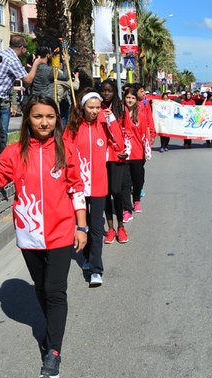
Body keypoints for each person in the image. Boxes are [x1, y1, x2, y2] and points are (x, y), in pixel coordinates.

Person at [0, 95, 87, 378]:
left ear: (56, 119)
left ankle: (53, 352)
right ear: (28, 119)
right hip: (29, 234)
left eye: (50, 116)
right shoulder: (14, 152)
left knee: (55, 290)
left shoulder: (67, 150)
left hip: (62, 231)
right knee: (40, 287)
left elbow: (77, 189)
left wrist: (81, 226)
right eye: (38, 116)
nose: (45, 122)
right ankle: (52, 327)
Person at [64, 88, 122, 287]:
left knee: (97, 227)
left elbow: (119, 143)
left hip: (98, 186)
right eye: (91, 107)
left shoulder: (103, 124)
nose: (95, 111)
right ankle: (87, 257)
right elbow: (65, 152)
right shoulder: (73, 127)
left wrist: (111, 119)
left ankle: (96, 270)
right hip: (78, 186)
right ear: (82, 107)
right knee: (84, 224)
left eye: (98, 107)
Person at [0, 34, 42, 172]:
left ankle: (0, 166)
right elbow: (28, 80)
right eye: (26, 50)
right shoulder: (12, 58)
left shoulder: (2, 53)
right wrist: (36, 64)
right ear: (22, 48)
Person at [99, 79, 131, 244]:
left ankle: (121, 227)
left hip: (117, 154)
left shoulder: (121, 109)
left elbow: (127, 131)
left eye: (109, 90)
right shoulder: (96, 108)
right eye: (103, 90)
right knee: (105, 193)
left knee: (117, 191)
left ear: (114, 92)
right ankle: (110, 228)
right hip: (100, 156)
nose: (106, 94)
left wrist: (127, 150)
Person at [123, 86, 153, 217]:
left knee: (137, 179)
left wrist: (147, 149)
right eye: (128, 97)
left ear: (136, 100)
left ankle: (136, 200)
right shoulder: (119, 113)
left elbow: (145, 133)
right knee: (125, 182)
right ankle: (126, 208)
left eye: (132, 98)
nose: (130, 100)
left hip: (137, 153)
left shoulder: (140, 113)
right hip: (123, 154)